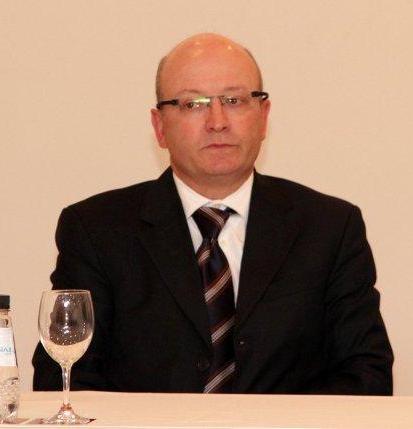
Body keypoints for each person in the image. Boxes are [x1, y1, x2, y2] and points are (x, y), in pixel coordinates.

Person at [32, 33, 394, 394]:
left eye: (234, 100)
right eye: (194, 104)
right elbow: (64, 375)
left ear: (263, 117)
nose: (217, 121)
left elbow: (367, 375)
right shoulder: (97, 231)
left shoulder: (329, 228)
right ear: (159, 127)